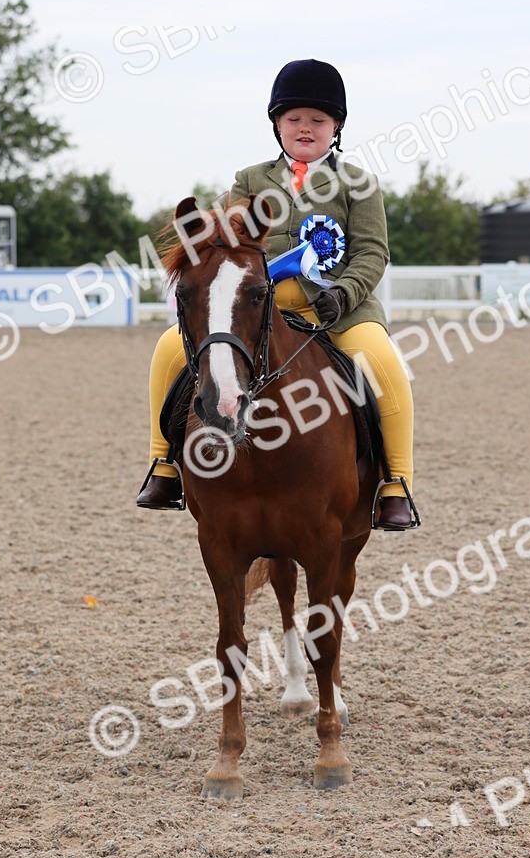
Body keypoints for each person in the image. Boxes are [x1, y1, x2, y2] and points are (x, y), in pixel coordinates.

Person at [137, 58, 419, 530]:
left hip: (338, 310)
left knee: (384, 363)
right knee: (168, 349)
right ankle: (163, 465)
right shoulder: (250, 180)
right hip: (260, 308)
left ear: (336, 127)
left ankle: (396, 484)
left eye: (318, 120)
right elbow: (228, 244)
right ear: (277, 125)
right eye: (294, 119)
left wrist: (344, 294)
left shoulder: (359, 184)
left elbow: (373, 252)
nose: (305, 128)